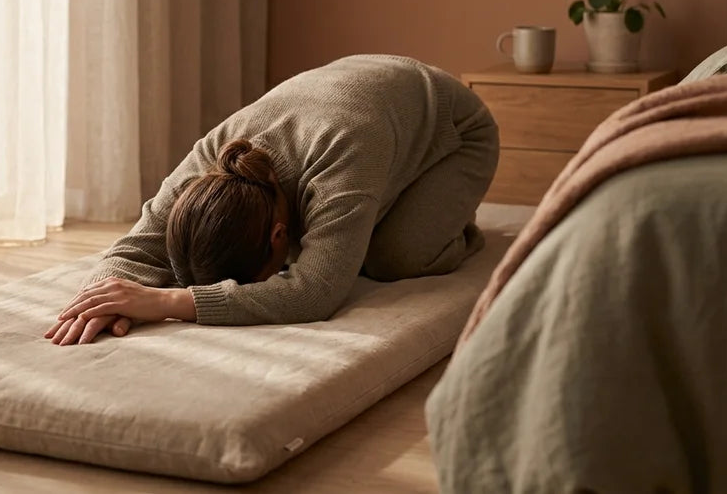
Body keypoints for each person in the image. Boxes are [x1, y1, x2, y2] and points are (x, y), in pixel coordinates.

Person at [45, 54, 499, 345]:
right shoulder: (213, 159)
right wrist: (102, 302)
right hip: (361, 101)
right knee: (350, 241)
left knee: (392, 258)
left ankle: (456, 224)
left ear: (281, 237)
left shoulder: (341, 157)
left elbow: (315, 294)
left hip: (456, 133)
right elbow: (135, 247)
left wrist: (169, 303)